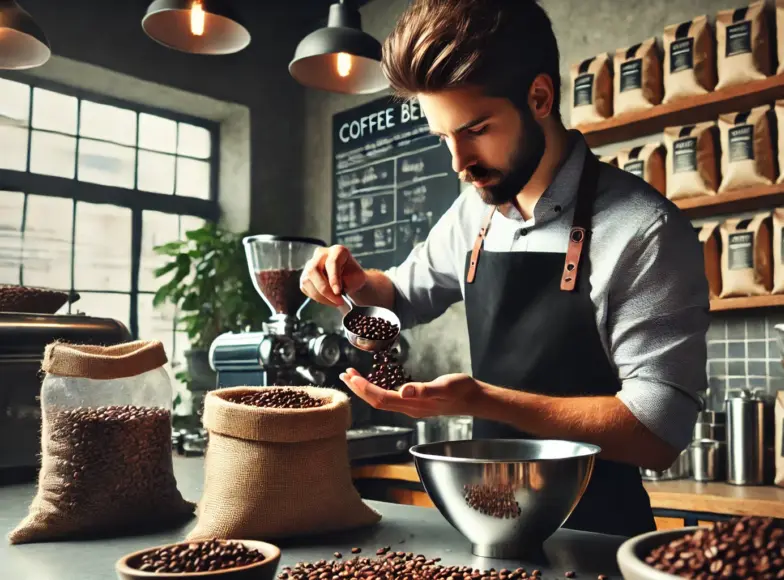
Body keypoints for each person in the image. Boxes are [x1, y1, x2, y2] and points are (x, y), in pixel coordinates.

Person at [300, 0, 709, 537]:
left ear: (539, 97)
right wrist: (354, 284)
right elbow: (399, 294)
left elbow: (657, 430)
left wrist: (483, 400)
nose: (457, 163)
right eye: (442, 138)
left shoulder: (644, 230)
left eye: (476, 130)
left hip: (598, 536)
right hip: (489, 522)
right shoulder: (475, 211)